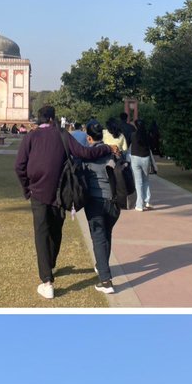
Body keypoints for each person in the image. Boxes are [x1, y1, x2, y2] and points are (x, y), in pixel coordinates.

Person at [13, 105, 114, 299]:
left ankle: (47, 281)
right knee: (55, 231)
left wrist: (27, 189)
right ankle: (50, 264)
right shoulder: (61, 135)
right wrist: (105, 148)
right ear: (52, 119)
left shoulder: (30, 137)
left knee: (42, 234)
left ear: (39, 119)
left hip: (38, 193)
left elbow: (19, 166)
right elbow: (84, 153)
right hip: (60, 193)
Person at [78, 120, 122, 294]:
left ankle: (106, 281)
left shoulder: (87, 154)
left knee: (98, 238)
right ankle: (101, 265)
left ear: (89, 137)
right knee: (106, 234)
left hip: (95, 201)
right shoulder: (114, 152)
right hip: (113, 200)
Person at [128, 118, 155, 211]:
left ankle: (139, 205)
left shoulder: (133, 135)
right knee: (146, 180)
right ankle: (146, 201)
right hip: (145, 158)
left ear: (136, 126)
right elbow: (152, 145)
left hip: (135, 158)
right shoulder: (147, 135)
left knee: (138, 182)